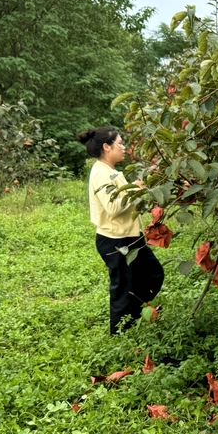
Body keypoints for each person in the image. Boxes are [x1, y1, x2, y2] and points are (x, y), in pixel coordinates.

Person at [77, 126, 165, 336]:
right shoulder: (100, 173)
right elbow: (114, 207)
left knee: (154, 274)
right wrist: (137, 186)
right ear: (107, 147)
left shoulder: (111, 172)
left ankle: (134, 314)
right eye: (120, 143)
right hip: (116, 241)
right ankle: (120, 335)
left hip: (131, 238)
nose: (124, 147)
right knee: (122, 290)